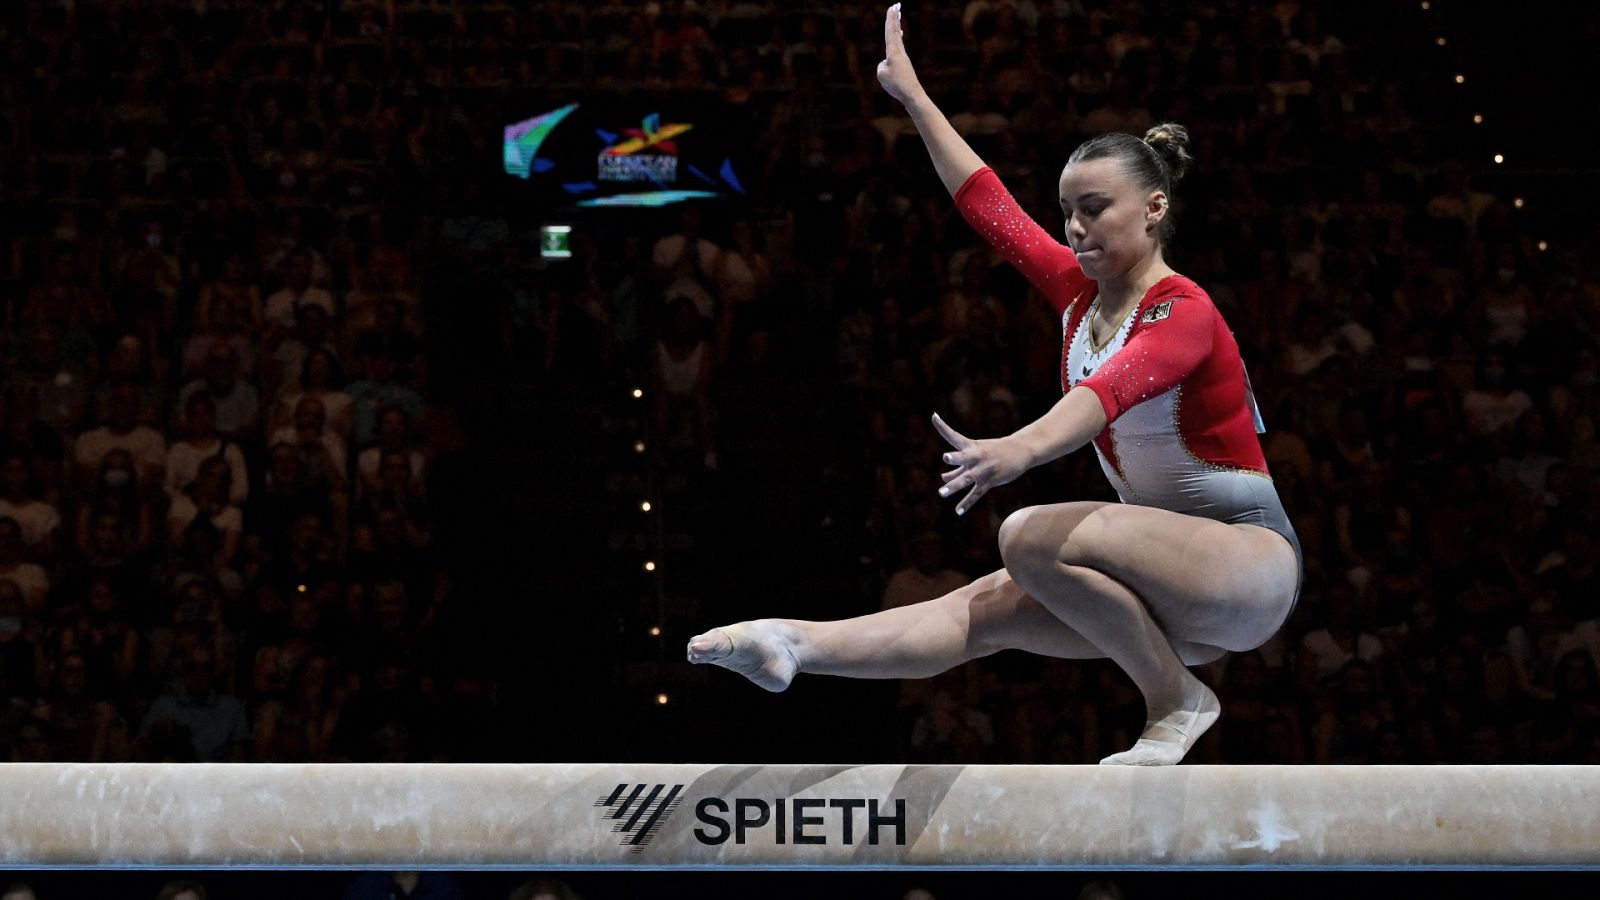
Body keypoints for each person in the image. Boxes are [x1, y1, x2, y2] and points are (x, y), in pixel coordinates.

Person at [688, 4, 1302, 766]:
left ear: (1154, 209)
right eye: (1068, 213)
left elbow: (1106, 393)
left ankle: (1175, 700)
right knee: (983, 612)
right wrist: (913, 97)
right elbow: (989, 206)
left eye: (1094, 209)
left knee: (1026, 537)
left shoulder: (1186, 311)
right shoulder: (1079, 295)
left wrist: (1018, 449)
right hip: (1168, 587)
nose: (1075, 230)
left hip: (1245, 568)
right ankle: (793, 644)